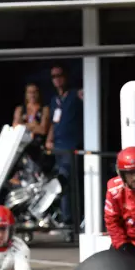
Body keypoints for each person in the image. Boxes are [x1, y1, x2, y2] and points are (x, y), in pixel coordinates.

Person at [44, 65, 83, 226]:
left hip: (71, 147)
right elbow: (54, 122)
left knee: (66, 182)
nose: (57, 79)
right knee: (56, 182)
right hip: (57, 148)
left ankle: (69, 220)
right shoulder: (55, 100)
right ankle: (61, 216)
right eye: (53, 76)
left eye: (60, 75)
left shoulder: (75, 95)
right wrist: (49, 139)